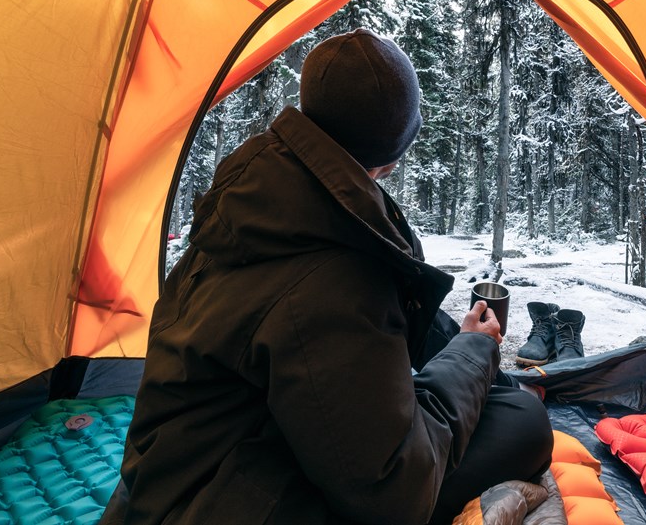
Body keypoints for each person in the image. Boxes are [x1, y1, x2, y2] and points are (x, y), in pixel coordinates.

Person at [105, 29, 553, 525]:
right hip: (214, 503)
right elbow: (395, 491)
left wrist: (461, 346)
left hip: (166, 475)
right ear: (393, 153)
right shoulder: (338, 270)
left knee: (488, 388)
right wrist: (472, 354)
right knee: (523, 421)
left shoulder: (258, 198)